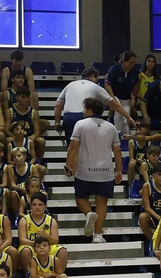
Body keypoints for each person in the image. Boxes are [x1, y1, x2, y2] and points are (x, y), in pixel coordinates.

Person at [67, 96, 122, 244]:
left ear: (89, 110)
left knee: (80, 199)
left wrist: (69, 165)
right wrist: (119, 171)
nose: (83, 111)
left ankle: (89, 213)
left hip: (85, 170)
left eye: (85, 109)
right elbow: (117, 151)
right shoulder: (111, 127)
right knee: (102, 202)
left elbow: (73, 146)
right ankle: (97, 235)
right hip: (106, 171)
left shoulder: (80, 124)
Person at [55, 68, 129, 142]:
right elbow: (115, 104)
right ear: (93, 76)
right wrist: (128, 117)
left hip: (68, 117)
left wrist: (57, 123)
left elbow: (58, 105)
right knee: (87, 146)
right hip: (84, 116)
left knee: (72, 147)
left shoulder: (70, 85)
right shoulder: (96, 87)